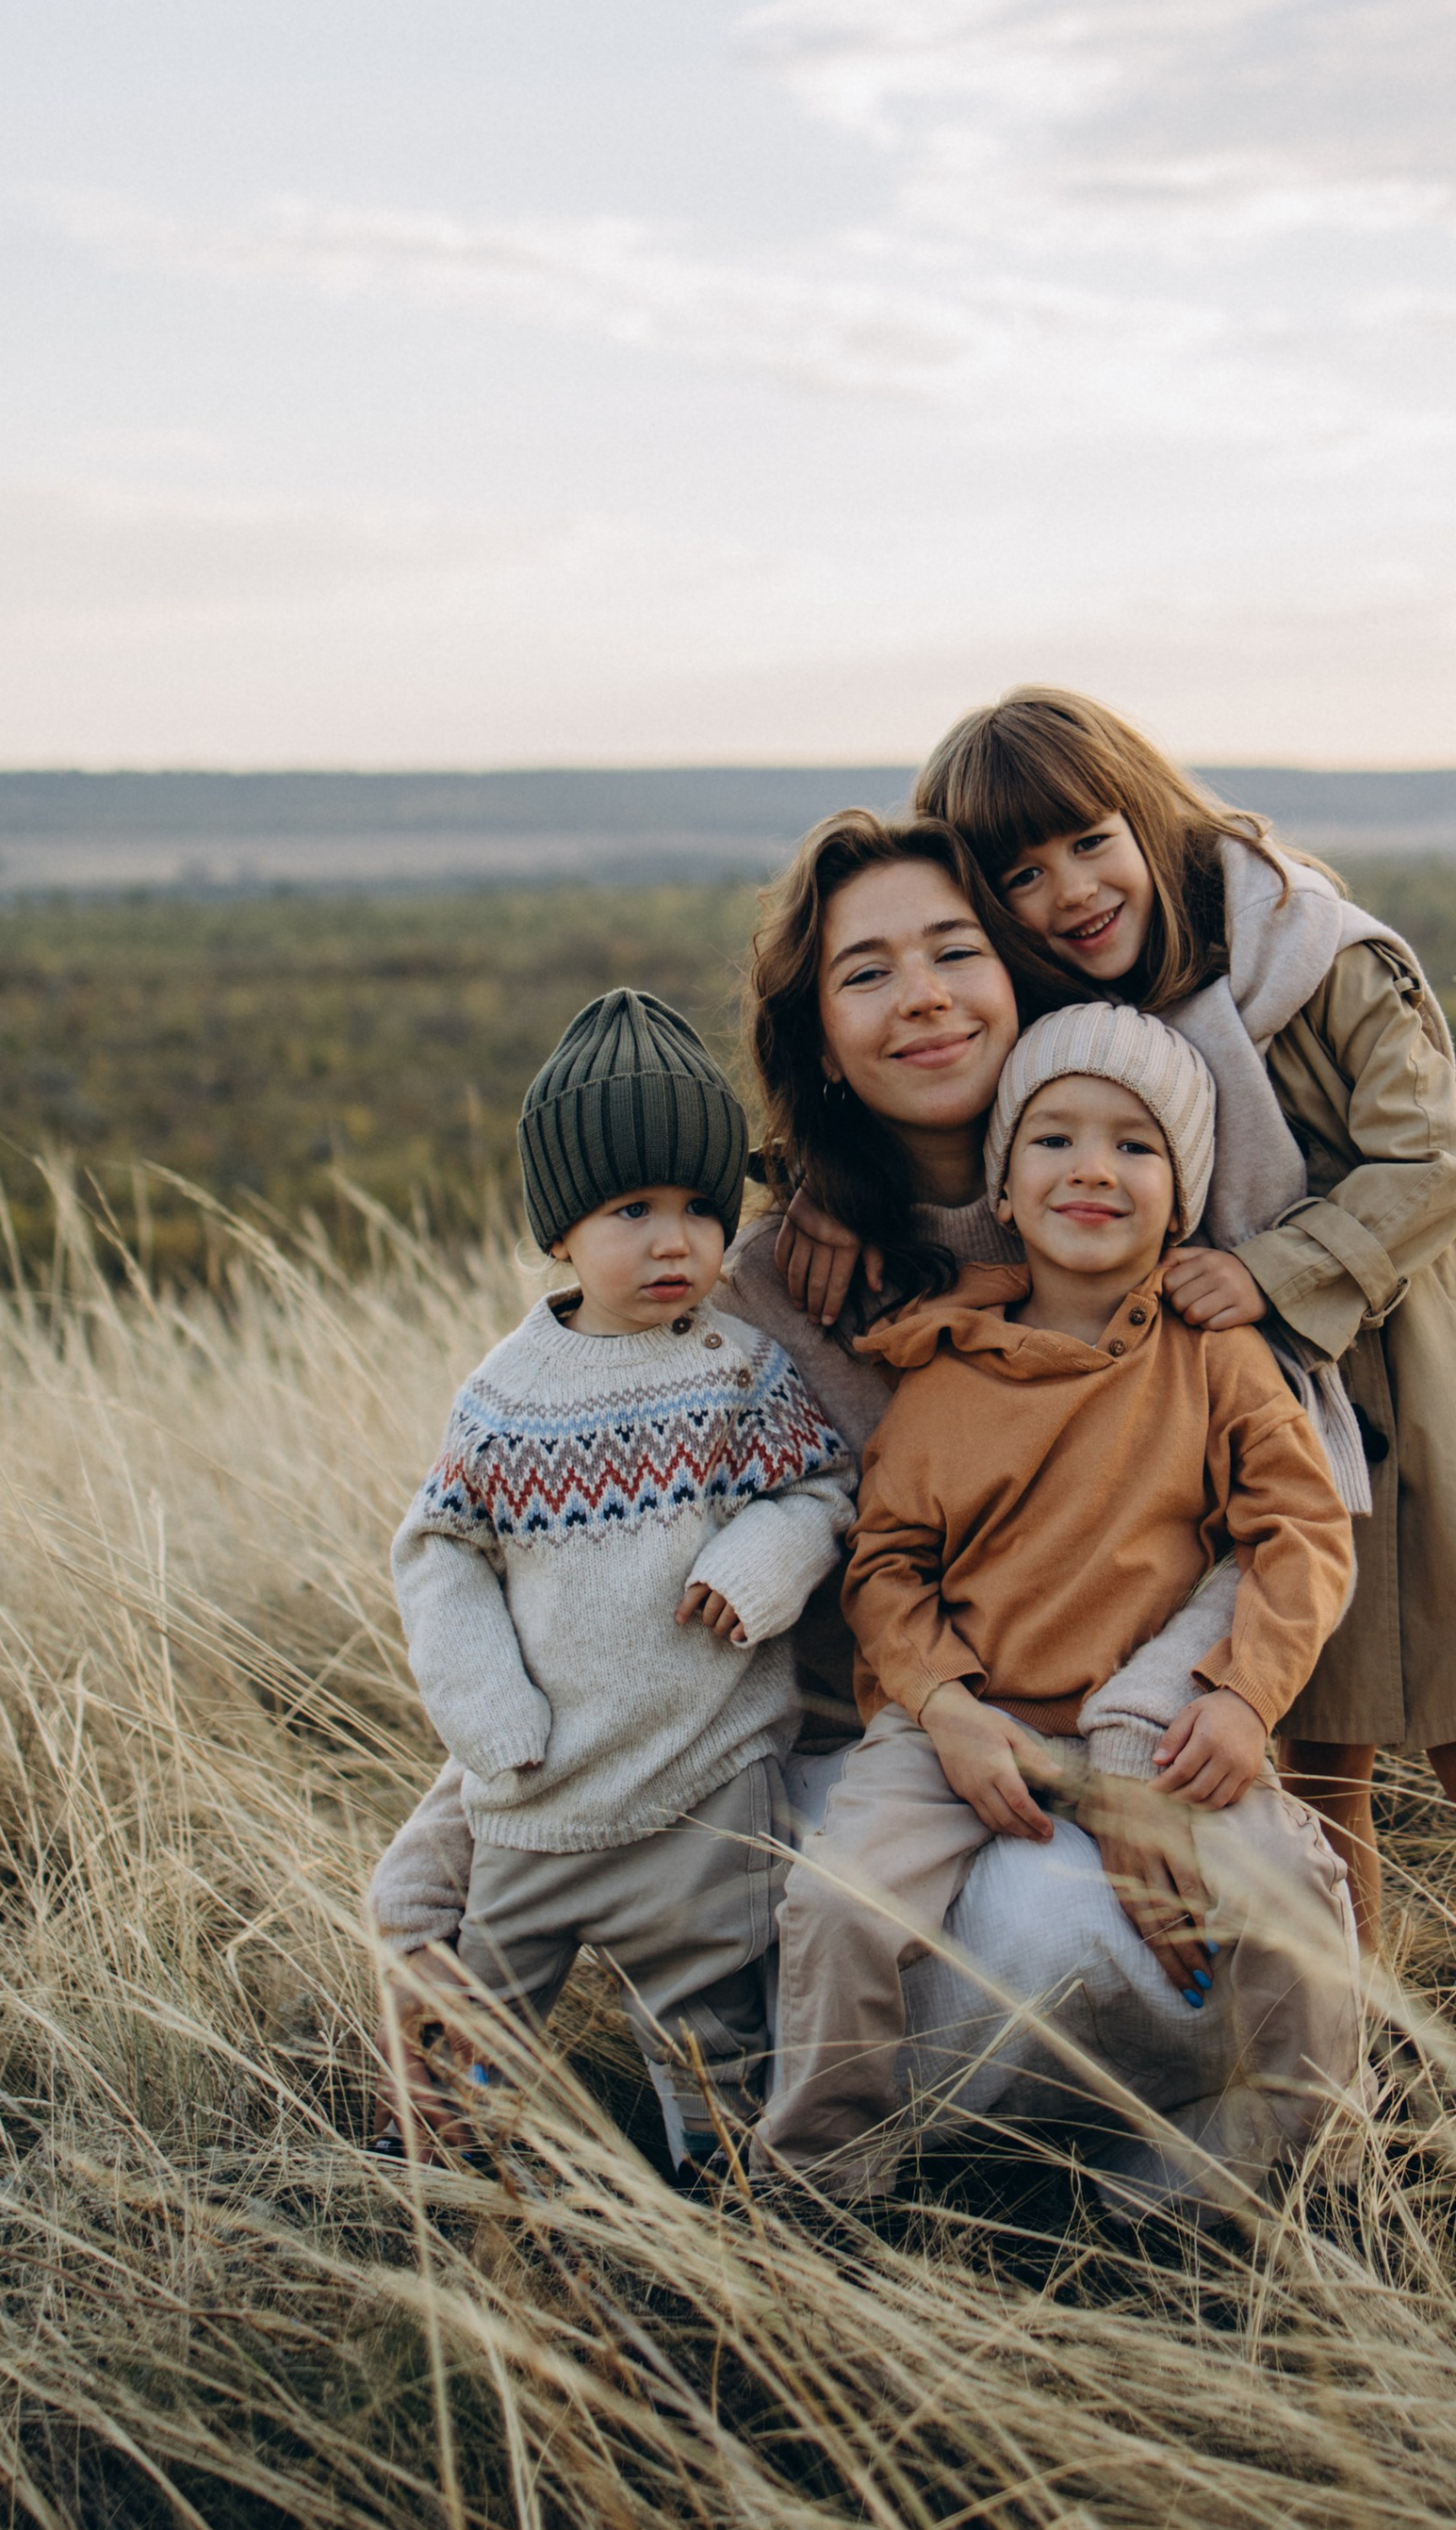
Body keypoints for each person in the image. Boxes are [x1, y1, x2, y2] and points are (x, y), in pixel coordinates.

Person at [368, 815, 1353, 2160]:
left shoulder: (1148, 1220)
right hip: (864, 1757)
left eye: (956, 951)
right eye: (867, 973)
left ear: (1017, 975)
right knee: (989, 1921)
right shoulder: (750, 1294)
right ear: (821, 1039)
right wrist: (463, 1835)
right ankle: (825, 2176)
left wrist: (1149, 1725)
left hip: (1129, 1727)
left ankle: (1205, 2174)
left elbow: (1283, 1521)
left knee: (1160, 1913)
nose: (924, 997)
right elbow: (606, 1584)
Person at [783, 689, 1456, 2083]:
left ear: (1145, 812)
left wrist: (1271, 1271)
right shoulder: (1073, 994)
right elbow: (958, 1091)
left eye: (1089, 844)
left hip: (1413, 1379)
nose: (1068, 893)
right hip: (1236, 1397)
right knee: (1314, 1749)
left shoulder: (1314, 950)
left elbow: (1438, 1157)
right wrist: (818, 1184)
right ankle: (1360, 2051)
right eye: (1020, 878)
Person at [758, 1000, 1360, 2203]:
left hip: (1159, 1731)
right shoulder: (943, 1363)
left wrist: (1244, 1696)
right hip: (963, 1729)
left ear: (1180, 1198)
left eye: (1134, 1145)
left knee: (1294, 1892)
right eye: (1054, 1139)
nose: (1092, 1168)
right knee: (837, 1907)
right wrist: (942, 1707)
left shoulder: (1214, 1356)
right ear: (1004, 1184)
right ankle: (820, 2180)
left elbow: (1299, 1532)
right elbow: (885, 1566)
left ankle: (1293, 2175)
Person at [386, 986, 853, 2168]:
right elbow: (440, 1552)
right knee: (483, 2020)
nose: (673, 1240)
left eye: (700, 1207)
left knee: (711, 2027)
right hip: (538, 1793)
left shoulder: (740, 1371)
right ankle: (458, 2173)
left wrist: (760, 1559)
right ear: (560, 1231)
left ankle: (719, 2198)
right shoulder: (507, 1395)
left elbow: (819, 1490)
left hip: (703, 1783)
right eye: (630, 1209)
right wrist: (488, 1715)